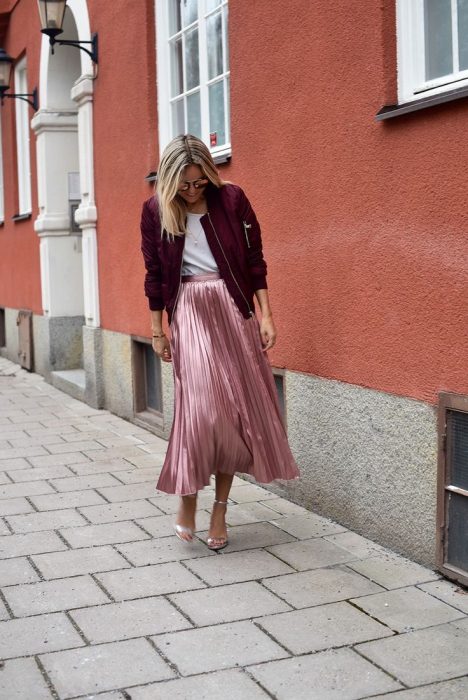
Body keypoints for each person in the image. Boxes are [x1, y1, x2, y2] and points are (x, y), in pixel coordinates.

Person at [140, 134, 299, 551]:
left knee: (234, 412)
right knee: (201, 408)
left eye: (199, 183)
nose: (193, 191)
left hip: (232, 308)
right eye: (185, 184)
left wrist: (266, 315)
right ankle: (188, 496)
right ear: (171, 180)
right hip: (189, 309)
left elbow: (254, 260)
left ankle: (221, 509)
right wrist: (158, 330)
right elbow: (154, 275)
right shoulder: (155, 210)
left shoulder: (231, 200)